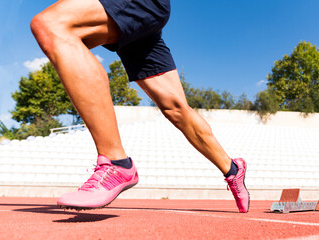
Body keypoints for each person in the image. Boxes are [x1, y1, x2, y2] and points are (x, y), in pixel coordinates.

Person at [30, 0, 249, 213]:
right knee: (176, 108)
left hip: (141, 3)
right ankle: (232, 169)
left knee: (52, 25)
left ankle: (116, 162)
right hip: (142, 21)